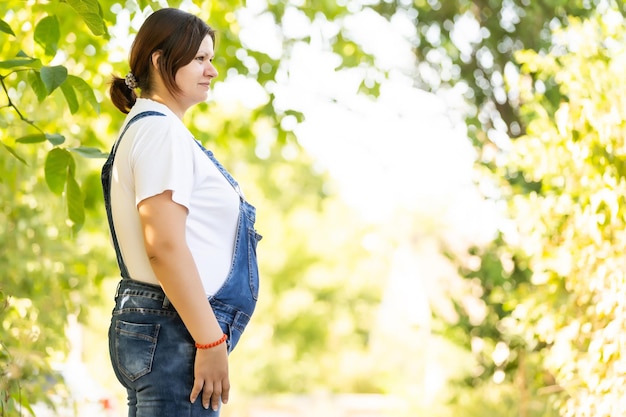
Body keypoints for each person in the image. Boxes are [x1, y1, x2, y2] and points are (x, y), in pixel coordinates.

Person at [101, 8, 262, 417]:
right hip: (176, 330)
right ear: (159, 60)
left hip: (165, 326)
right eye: (200, 59)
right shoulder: (160, 131)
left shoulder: (152, 128)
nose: (212, 70)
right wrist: (209, 341)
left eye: (211, 58)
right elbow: (165, 246)